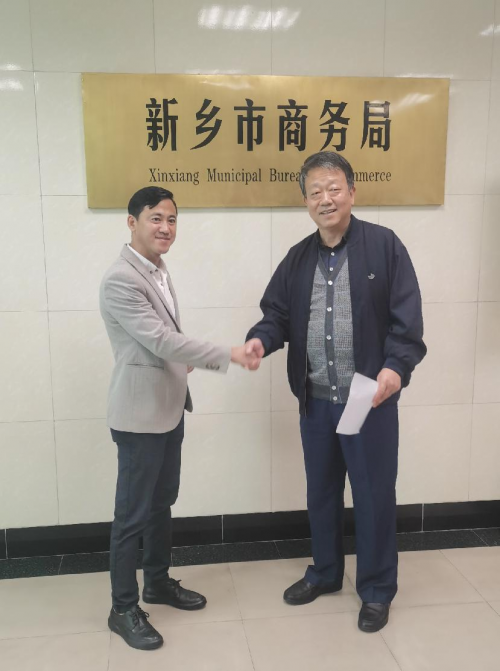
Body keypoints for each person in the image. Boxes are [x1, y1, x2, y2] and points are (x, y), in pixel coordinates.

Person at [246, 151, 426, 633]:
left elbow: (406, 320)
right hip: (316, 400)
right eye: (315, 192)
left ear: (352, 191)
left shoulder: (384, 247)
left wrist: (395, 368)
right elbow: (276, 314)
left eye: (333, 188)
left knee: (372, 495)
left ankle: (377, 589)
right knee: (322, 493)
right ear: (305, 200)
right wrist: (261, 340)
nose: (325, 199)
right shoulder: (298, 257)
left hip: (368, 399)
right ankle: (325, 572)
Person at [100, 186, 260, 650]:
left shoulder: (157, 269)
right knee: (131, 516)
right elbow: (161, 340)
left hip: (168, 409)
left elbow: (161, 339)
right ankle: (122, 608)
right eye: (156, 218)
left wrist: (179, 361)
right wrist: (226, 354)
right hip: (139, 417)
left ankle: (157, 582)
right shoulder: (121, 278)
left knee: (161, 503)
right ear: (132, 222)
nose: (166, 228)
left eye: (172, 219)